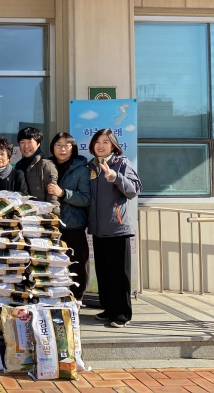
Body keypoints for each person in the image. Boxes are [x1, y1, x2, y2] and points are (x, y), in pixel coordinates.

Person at [87, 128, 142, 328]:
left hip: (118, 228)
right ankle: (109, 309)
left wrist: (115, 177)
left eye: (105, 142)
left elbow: (134, 189)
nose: (101, 146)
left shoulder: (121, 163)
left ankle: (122, 314)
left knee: (120, 273)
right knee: (104, 272)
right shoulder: (91, 166)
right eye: (97, 142)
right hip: (99, 228)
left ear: (113, 145)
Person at [47, 132, 91, 301]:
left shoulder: (81, 169)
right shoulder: (47, 166)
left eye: (66, 145)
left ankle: (77, 299)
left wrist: (63, 193)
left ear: (73, 148)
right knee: (54, 265)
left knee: (77, 263)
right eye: (58, 145)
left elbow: (86, 199)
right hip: (51, 225)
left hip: (73, 225)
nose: (62, 149)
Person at [15, 127, 60, 214]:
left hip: (41, 216)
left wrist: (52, 219)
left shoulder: (46, 165)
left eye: (29, 142)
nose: (26, 146)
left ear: (38, 143)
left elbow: (53, 197)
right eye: (22, 142)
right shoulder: (19, 166)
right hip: (22, 215)